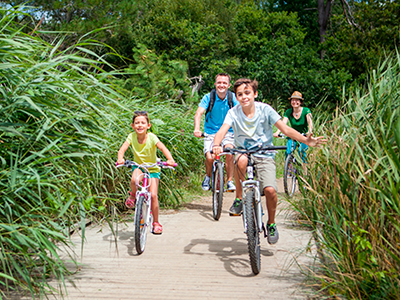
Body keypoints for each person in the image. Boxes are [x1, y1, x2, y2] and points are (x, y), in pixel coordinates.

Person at [212, 79, 325, 244]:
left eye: (247, 93)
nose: (244, 97)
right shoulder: (233, 112)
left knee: (271, 191)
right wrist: (216, 144)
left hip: (265, 154)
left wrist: (306, 141)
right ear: (236, 97)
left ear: (255, 94)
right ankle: (241, 198)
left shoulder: (265, 109)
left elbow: (285, 129)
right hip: (244, 151)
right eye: (240, 94)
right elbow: (222, 130)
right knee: (240, 161)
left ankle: (271, 223)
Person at [117, 111, 175, 235]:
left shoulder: (152, 137)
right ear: (132, 126)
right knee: (134, 180)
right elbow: (122, 149)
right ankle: (133, 195)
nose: (140, 125)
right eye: (137, 123)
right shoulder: (131, 136)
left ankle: (156, 222)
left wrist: (170, 159)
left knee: (153, 196)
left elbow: (162, 148)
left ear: (148, 125)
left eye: (143, 123)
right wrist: (120, 158)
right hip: (139, 167)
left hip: (153, 169)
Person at [193, 73, 239, 192]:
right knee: (209, 157)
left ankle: (229, 181)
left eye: (224, 83)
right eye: (219, 82)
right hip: (211, 132)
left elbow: (241, 114)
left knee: (229, 153)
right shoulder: (208, 97)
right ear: (215, 84)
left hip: (228, 132)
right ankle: (208, 176)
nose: (221, 85)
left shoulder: (233, 98)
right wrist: (197, 129)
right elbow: (198, 113)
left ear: (229, 85)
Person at [273, 91, 313, 163]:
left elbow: (310, 123)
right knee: (288, 152)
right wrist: (277, 132)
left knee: (301, 152)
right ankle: (288, 171)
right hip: (293, 136)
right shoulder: (288, 112)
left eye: (297, 100)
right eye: (293, 100)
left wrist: (309, 131)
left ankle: (304, 172)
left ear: (300, 102)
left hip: (303, 136)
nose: (294, 102)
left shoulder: (306, 111)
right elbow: (283, 123)